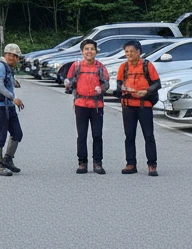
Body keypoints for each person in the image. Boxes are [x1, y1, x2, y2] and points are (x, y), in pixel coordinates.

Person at [115, 41, 161, 176]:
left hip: (144, 105)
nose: (128, 54)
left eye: (131, 51)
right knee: (129, 136)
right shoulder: (123, 67)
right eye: (126, 52)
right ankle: (130, 164)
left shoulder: (147, 65)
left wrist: (146, 91)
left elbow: (157, 84)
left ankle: (152, 164)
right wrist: (121, 89)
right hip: (128, 106)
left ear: (139, 52)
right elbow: (118, 85)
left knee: (148, 135)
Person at [65, 39, 110, 174]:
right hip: (80, 104)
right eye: (86, 49)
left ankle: (97, 163)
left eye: (92, 49)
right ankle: (82, 163)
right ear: (82, 51)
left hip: (96, 105)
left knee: (97, 135)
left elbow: (106, 83)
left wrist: (101, 88)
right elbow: (71, 82)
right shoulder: (76, 66)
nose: (89, 51)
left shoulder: (100, 67)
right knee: (82, 135)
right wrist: (68, 83)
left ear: (96, 51)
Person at [0, 43, 25, 176]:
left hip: (8, 106)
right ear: (9, 55)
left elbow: (5, 82)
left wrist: (13, 82)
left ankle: (7, 160)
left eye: (17, 57)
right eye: (15, 56)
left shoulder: (8, 67)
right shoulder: (0, 66)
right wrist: (13, 98)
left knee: (17, 133)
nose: (16, 60)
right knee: (1, 135)